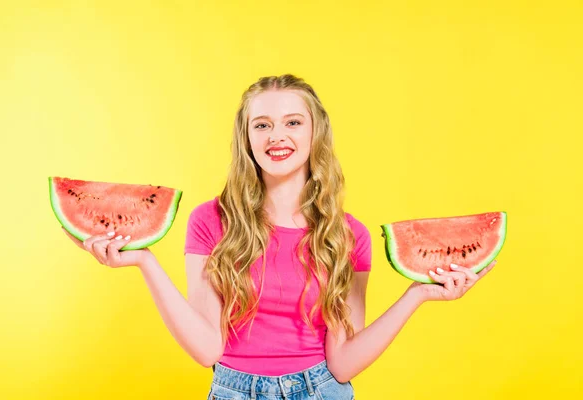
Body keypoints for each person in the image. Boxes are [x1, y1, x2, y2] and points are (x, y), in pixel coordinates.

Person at [64, 74, 497, 400]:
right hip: (233, 390)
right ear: (246, 138)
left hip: (322, 390)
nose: (277, 137)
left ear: (315, 133)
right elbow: (206, 349)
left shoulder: (349, 235)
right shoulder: (210, 220)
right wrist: (145, 262)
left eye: (292, 121)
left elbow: (344, 363)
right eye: (262, 125)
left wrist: (416, 296)